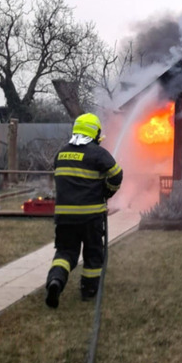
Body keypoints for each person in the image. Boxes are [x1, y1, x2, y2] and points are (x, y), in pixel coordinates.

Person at [45, 112, 123, 308]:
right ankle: (88, 291)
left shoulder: (61, 154)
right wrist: (107, 192)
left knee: (65, 252)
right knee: (93, 253)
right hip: (90, 217)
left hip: (64, 217)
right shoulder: (97, 153)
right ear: (95, 133)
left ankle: (56, 281)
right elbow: (117, 175)